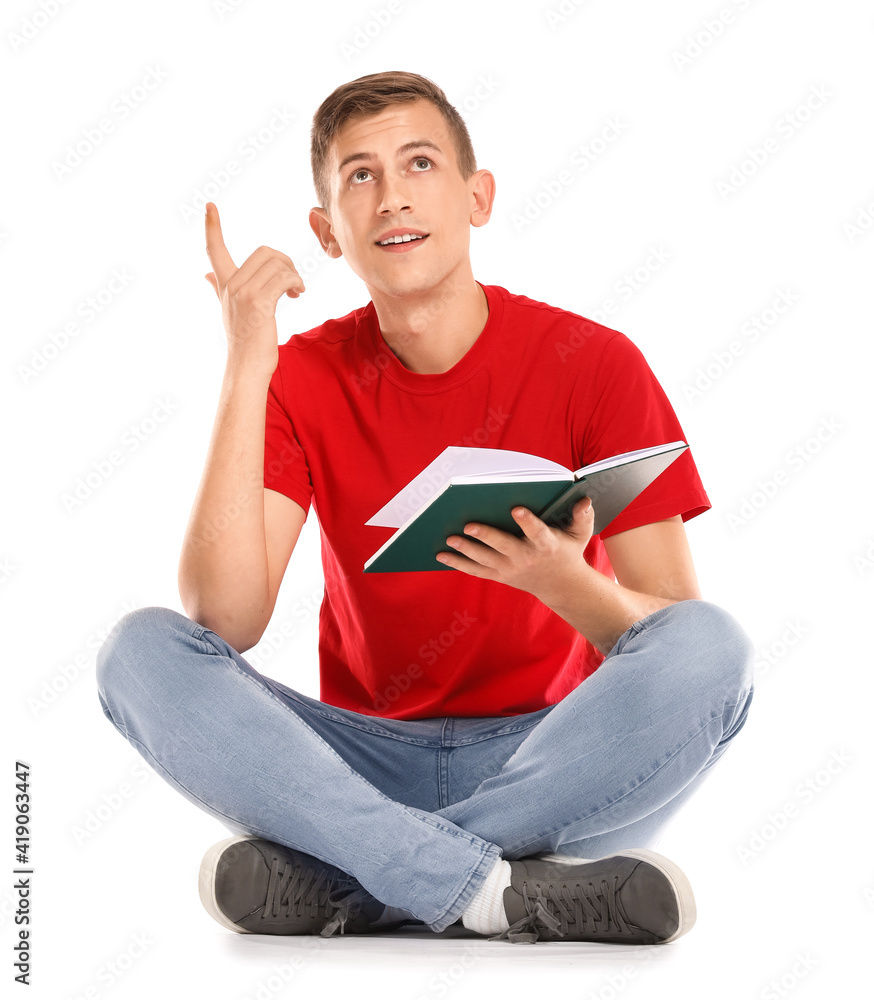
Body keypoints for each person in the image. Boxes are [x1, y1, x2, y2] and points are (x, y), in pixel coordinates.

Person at [96, 71, 754, 946]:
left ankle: (366, 884)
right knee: (137, 653)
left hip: (554, 764)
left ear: (477, 197)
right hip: (358, 769)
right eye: (360, 176)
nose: (393, 196)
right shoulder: (300, 377)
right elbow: (227, 617)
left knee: (717, 648)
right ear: (329, 233)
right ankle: (506, 893)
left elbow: (668, 630)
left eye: (419, 163)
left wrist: (565, 585)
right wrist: (248, 362)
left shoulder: (596, 364)